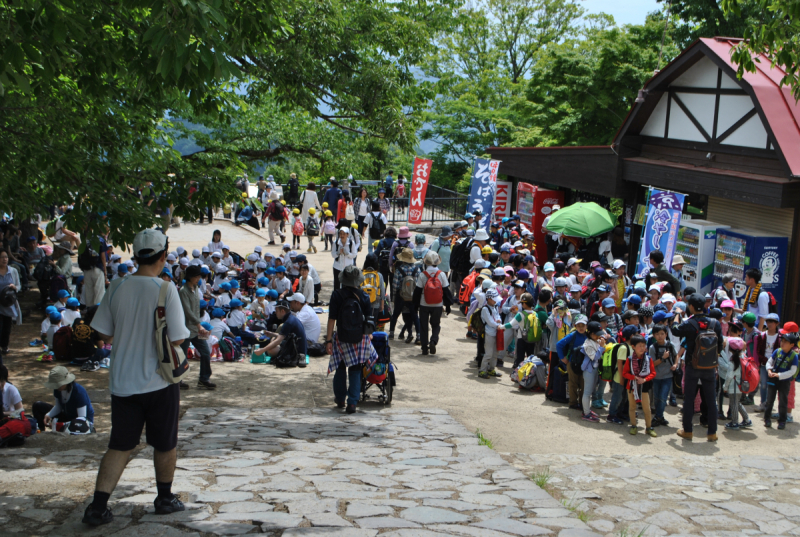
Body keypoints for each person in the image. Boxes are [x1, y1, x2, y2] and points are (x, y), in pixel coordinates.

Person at [85, 228, 189, 526]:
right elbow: (179, 339)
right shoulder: (165, 289)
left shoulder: (116, 287)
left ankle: (98, 506)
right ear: (163, 255)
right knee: (165, 443)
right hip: (159, 380)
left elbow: (104, 334)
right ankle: (164, 499)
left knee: (119, 444)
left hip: (123, 382)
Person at [324, 266, 377, 414]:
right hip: (358, 339)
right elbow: (370, 321)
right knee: (355, 369)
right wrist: (369, 335)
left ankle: (340, 399)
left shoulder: (336, 295)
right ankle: (352, 403)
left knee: (340, 368)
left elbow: (331, 319)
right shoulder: (364, 296)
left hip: (341, 338)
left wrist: (329, 340)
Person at [670, 292, 723, 442]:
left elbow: (675, 329)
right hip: (710, 368)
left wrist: (677, 315)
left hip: (692, 366)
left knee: (689, 399)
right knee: (711, 399)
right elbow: (720, 345)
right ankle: (712, 433)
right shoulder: (715, 323)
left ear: (691, 306)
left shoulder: (689, 323)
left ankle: (688, 430)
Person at [178, 265, 215, 390]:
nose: (199, 278)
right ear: (190, 277)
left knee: (205, 352)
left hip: (195, 328)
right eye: (197, 276)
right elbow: (187, 311)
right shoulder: (183, 291)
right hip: (186, 328)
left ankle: (204, 378)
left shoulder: (196, 287)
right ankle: (178, 380)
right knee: (181, 355)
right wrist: (199, 325)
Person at [33, 366, 95, 433]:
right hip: (67, 415)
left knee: (75, 427)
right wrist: (49, 415)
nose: (56, 386)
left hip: (81, 422)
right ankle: (41, 431)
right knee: (37, 406)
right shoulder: (57, 389)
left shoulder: (79, 392)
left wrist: (60, 425)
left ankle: (63, 428)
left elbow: (82, 418)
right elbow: (58, 407)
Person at [622, 335, 658, 437]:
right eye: (640, 346)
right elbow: (625, 373)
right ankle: (633, 425)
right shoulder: (629, 359)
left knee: (647, 408)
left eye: (644, 346)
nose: (642, 348)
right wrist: (633, 377)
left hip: (644, 386)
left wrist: (644, 379)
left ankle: (649, 427)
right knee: (632, 407)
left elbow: (653, 373)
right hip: (632, 387)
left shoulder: (648, 359)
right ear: (633, 346)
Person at [414, 251, 448, 356]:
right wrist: (448, 305)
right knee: (436, 324)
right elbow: (446, 291)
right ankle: (433, 341)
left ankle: (424, 348)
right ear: (437, 262)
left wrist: (415, 306)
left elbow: (417, 292)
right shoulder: (441, 274)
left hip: (424, 304)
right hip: (438, 304)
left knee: (423, 326)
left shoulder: (422, 275)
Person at [764, 330, 799, 429]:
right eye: (782, 340)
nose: (782, 343)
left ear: (792, 345)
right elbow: (769, 362)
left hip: (784, 382)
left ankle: (782, 421)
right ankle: (767, 419)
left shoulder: (794, 356)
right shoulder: (777, 351)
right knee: (769, 400)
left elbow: (793, 371)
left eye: (785, 342)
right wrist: (769, 370)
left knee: (783, 402)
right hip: (773, 380)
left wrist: (778, 375)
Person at [389, 247, 421, 343]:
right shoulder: (417, 269)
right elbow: (418, 283)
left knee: (395, 315)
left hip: (401, 296)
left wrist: (394, 296)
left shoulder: (399, 269)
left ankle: (391, 333)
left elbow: (395, 284)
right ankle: (418, 335)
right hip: (412, 296)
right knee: (415, 316)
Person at [649, 324, 676, 427]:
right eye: (657, 334)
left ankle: (658, 416)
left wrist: (675, 364)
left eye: (662, 334)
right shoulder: (652, 347)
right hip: (656, 376)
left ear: (666, 334)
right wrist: (663, 358)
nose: (660, 336)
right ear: (654, 335)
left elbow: (676, 355)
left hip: (667, 376)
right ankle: (660, 416)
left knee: (663, 397)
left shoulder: (670, 345)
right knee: (656, 397)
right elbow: (652, 364)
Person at [723, 337, 752, 430]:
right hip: (742, 384)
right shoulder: (743, 356)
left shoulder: (733, 361)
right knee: (737, 403)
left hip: (733, 387)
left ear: (730, 349)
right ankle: (747, 420)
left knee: (734, 404)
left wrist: (725, 386)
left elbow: (729, 376)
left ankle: (734, 422)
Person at [581, 321, 606, 423]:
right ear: (590, 333)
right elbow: (595, 357)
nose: (598, 337)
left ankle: (587, 410)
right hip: (589, 371)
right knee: (587, 392)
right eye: (596, 334)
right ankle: (586, 414)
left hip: (594, 369)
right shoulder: (587, 344)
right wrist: (602, 347)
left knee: (591, 391)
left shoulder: (595, 341)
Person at [478, 288, 503, 379]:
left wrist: (499, 321)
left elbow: (497, 316)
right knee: (488, 353)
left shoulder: (495, 306)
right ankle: (482, 370)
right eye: (494, 299)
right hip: (489, 333)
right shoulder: (485, 309)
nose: (496, 301)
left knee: (495, 353)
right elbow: (490, 322)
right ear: (489, 299)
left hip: (496, 332)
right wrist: (498, 325)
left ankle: (491, 369)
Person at [0, 250, 20, 360]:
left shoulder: (13, 271)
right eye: (2, 257)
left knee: (7, 327)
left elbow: (19, 286)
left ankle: (4, 346)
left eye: (6, 257)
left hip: (8, 304)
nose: (4, 259)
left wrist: (15, 287)